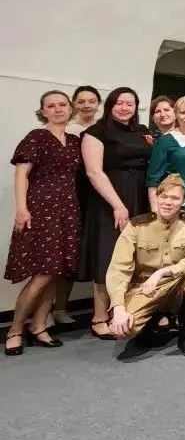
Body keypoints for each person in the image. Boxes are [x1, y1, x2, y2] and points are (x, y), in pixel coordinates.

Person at [4, 91, 81, 355]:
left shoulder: (74, 141)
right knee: (42, 273)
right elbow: (21, 174)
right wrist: (21, 209)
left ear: (70, 109)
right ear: (43, 111)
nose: (58, 109)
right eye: (51, 106)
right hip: (41, 209)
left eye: (62, 105)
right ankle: (15, 329)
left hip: (68, 211)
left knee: (55, 272)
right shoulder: (36, 137)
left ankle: (39, 325)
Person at [105, 174, 185, 356]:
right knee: (123, 328)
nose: (168, 202)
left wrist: (161, 273)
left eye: (175, 198)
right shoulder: (136, 226)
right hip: (145, 288)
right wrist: (118, 307)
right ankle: (150, 324)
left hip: (177, 283)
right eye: (164, 196)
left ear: (184, 201)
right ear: (156, 197)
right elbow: (118, 269)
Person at [79, 87, 152, 341]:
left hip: (139, 196)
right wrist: (118, 205)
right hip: (110, 199)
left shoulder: (142, 131)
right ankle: (99, 317)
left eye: (130, 103)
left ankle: (125, 312)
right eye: (120, 103)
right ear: (110, 105)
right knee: (108, 257)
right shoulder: (96, 132)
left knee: (135, 257)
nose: (125, 107)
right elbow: (94, 172)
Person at [51, 85, 102, 327]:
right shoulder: (67, 130)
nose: (86, 105)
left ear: (99, 104)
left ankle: (103, 309)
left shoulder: (104, 129)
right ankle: (58, 309)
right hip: (72, 195)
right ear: (74, 104)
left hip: (99, 195)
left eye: (91, 100)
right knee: (66, 255)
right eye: (81, 101)